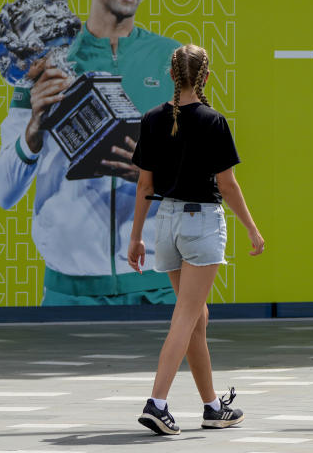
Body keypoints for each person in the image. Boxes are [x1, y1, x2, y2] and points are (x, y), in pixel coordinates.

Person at [0, 0, 180, 305]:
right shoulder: (45, 61)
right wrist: (33, 131)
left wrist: (156, 176)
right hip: (69, 293)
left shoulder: (171, 61)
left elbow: (209, 179)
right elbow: (4, 194)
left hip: (156, 288)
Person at [128, 44, 265, 435]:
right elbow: (228, 184)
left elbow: (144, 185)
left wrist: (136, 237)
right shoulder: (213, 120)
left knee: (197, 319)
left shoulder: (153, 119)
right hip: (201, 222)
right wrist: (252, 229)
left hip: (166, 222)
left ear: (172, 76)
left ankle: (211, 407)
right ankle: (157, 403)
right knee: (187, 316)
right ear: (206, 77)